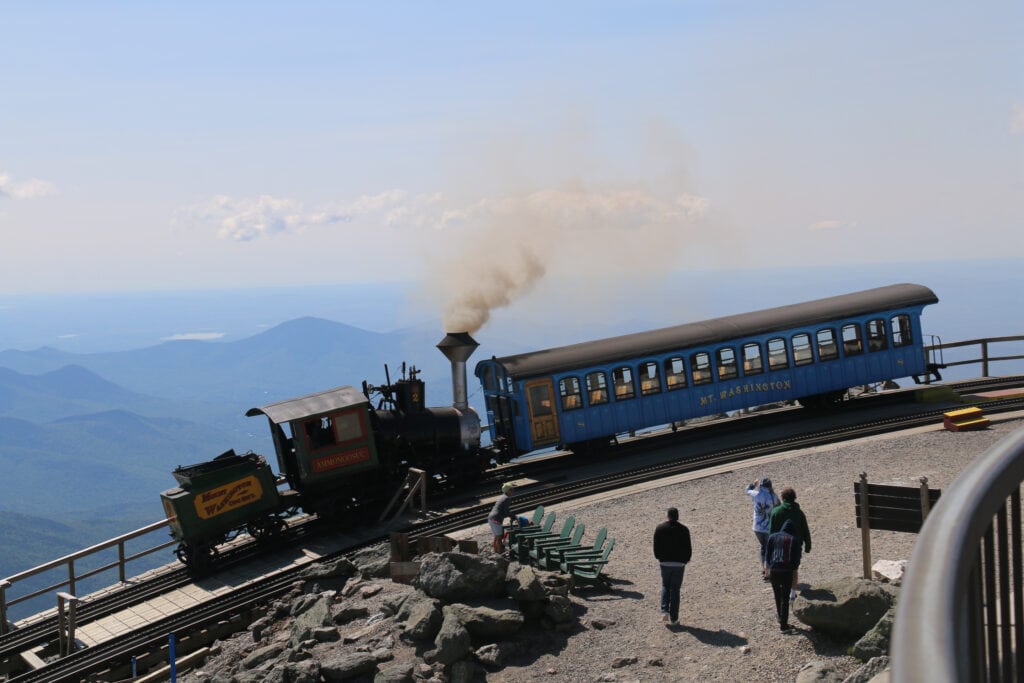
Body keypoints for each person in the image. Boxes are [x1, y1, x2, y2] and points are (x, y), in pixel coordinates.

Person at [769, 487, 812, 600]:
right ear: (794, 498)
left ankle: (782, 590)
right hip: (795, 545)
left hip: (779, 545)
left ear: (782, 498)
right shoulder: (799, 512)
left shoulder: (776, 512)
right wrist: (808, 546)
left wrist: (770, 546)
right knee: (793, 569)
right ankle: (792, 593)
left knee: (779, 567)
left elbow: (771, 531)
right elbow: (805, 530)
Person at [653, 507, 692, 625]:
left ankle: (664, 611)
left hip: (664, 562)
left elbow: (656, 547)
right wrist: (686, 560)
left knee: (665, 585)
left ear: (668, 516)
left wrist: (659, 558)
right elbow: (688, 547)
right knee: (675, 589)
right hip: (679, 564)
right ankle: (674, 618)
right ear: (677, 516)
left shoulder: (659, 528)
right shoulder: (684, 529)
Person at [765, 519, 803, 631]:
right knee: (785, 598)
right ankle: (784, 625)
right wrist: (794, 570)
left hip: (774, 570)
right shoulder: (793, 539)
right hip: (786, 571)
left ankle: (780, 617)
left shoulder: (772, 537)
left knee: (777, 595)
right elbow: (796, 559)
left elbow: (768, 555)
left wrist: (768, 569)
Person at [746, 477, 780, 580]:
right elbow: (779, 509)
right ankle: (767, 573)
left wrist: (753, 484)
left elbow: (747, 490)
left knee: (763, 548)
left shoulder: (756, 494)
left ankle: (764, 569)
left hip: (757, 527)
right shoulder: (774, 497)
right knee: (769, 549)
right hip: (768, 528)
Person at [488, 482, 515, 552]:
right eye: (512, 489)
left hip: (491, 517)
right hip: (496, 518)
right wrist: (513, 516)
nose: (513, 491)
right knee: (499, 537)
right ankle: (499, 554)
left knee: (497, 536)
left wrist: (510, 515)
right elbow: (506, 512)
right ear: (508, 490)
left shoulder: (502, 496)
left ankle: (495, 552)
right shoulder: (507, 498)